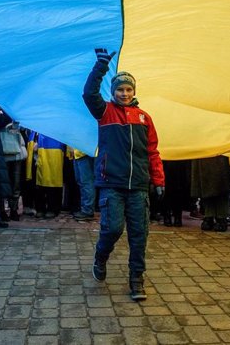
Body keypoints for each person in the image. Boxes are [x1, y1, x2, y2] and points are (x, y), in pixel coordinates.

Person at [83, 48, 165, 301]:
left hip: (139, 185)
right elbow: (89, 93)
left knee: (139, 235)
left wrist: (158, 180)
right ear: (114, 91)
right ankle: (101, 257)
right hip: (112, 184)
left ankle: (136, 280)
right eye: (120, 89)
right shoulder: (105, 112)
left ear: (134, 91)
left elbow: (152, 150)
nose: (125, 94)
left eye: (129, 89)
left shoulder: (144, 118)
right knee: (113, 229)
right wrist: (101, 66)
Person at [191, 156, 230, 232]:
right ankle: (209, 216)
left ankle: (221, 217)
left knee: (221, 186)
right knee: (207, 187)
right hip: (204, 155)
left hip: (219, 155)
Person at [71, 148, 96, 222]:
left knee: (87, 182)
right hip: (78, 153)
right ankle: (85, 208)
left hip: (85, 152)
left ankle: (88, 210)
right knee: (81, 182)